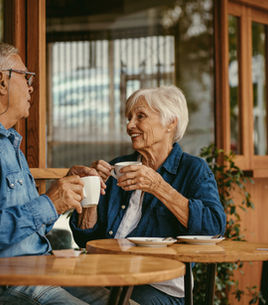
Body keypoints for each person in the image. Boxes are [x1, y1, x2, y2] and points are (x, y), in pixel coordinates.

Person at [0, 42, 133, 305]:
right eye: (26, 77)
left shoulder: (12, 144)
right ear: (1, 82)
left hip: (43, 269)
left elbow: (32, 226)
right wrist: (49, 202)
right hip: (11, 281)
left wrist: (63, 199)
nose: (31, 86)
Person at [70, 85, 226, 305]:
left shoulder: (193, 169)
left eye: (140, 116)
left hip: (160, 288)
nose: (130, 125)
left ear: (170, 123)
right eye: (129, 117)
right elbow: (86, 240)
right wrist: (92, 194)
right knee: (50, 292)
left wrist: (158, 186)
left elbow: (214, 228)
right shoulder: (118, 167)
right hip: (109, 277)